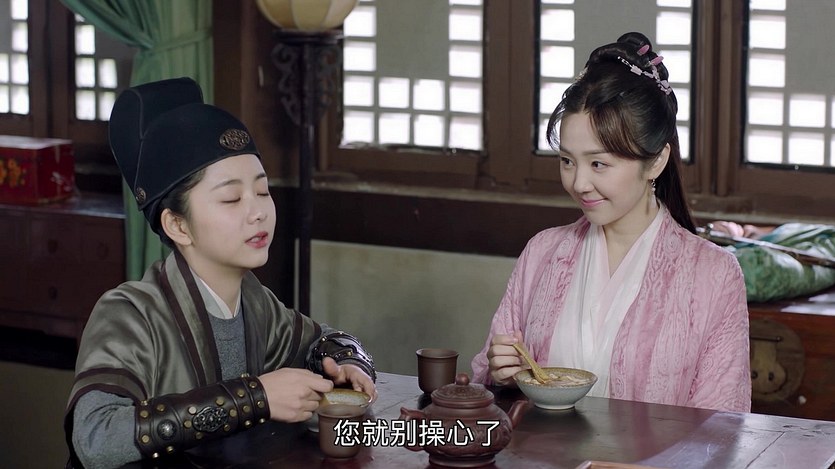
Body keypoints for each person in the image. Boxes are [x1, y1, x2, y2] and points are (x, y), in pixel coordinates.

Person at [64, 77, 377, 469]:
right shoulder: (130, 313)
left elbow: (327, 339)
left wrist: (349, 365)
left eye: (262, 191)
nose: (258, 211)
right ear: (178, 225)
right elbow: (95, 438)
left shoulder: (254, 302)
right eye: (231, 198)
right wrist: (254, 398)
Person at [471, 32, 751, 412]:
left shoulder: (713, 274)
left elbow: (722, 422)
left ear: (656, 161)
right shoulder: (543, 252)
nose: (579, 183)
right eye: (567, 161)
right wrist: (501, 374)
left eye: (599, 163)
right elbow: (486, 387)